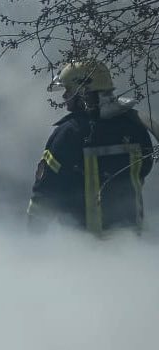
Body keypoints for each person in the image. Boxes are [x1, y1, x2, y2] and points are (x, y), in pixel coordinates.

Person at [27, 60, 155, 234]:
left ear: (83, 93)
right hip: (130, 241)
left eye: (68, 90)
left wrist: (33, 237)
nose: (64, 96)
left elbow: (46, 191)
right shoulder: (135, 128)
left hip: (84, 244)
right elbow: (144, 169)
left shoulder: (70, 133)